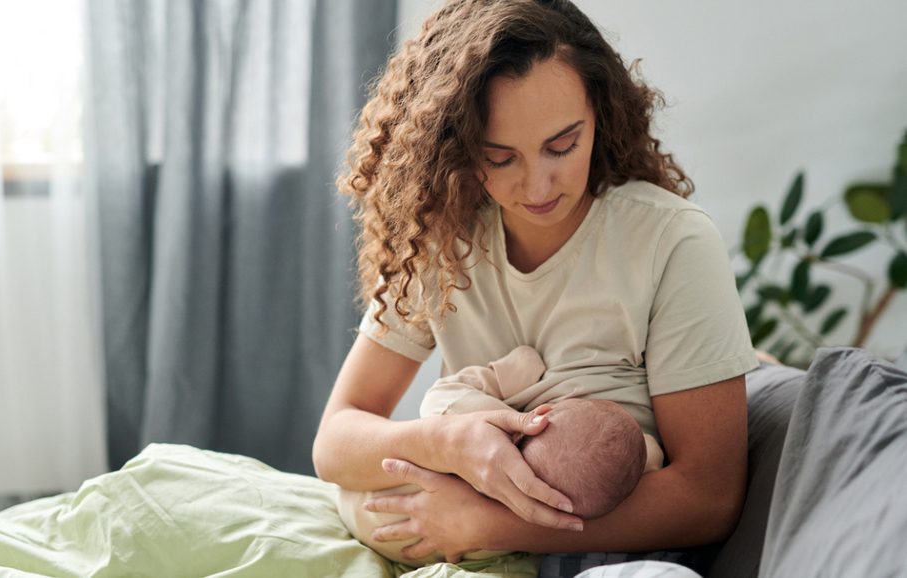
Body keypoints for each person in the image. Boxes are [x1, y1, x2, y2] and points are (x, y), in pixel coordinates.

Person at [312, 0, 759, 571]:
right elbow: (336, 438)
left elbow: (709, 498)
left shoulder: (671, 242)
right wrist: (449, 444)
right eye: (499, 157)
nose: (537, 184)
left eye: (562, 145)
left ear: (601, 112)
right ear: (457, 149)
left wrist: (488, 523)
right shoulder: (441, 237)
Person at [338, 344, 655, 566]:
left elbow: (439, 398)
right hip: (427, 548)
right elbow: (646, 458)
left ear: (541, 413)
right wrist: (645, 454)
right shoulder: (536, 528)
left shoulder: (485, 422)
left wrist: (513, 370)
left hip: (364, 499)